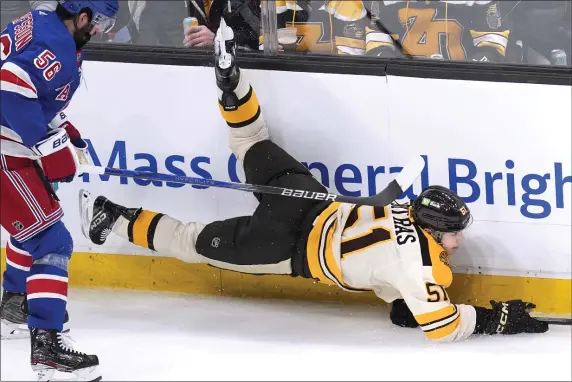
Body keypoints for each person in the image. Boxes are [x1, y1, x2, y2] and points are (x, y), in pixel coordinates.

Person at [80, 20, 549, 343]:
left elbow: (403, 299)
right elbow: (441, 327)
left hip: (307, 202)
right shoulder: (421, 268)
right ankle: (112, 216)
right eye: (453, 232)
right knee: (188, 240)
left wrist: (407, 303)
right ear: (431, 229)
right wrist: (492, 320)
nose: (459, 238)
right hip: (283, 248)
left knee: (252, 139)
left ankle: (231, 83)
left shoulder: (403, 211)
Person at [0, 0, 118, 380]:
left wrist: (67, 133)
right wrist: (49, 147)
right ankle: (47, 350)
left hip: (11, 145)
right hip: (5, 152)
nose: (99, 29)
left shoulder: (43, 19)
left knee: (33, 228)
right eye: (98, 21)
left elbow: (35, 91)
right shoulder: (58, 47)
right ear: (81, 16)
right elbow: (11, 82)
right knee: (52, 242)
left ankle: (15, 304)